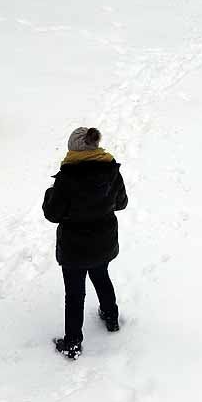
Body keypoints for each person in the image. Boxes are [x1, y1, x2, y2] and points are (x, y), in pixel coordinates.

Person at [42, 127, 128, 360]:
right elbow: (121, 203)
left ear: (74, 149)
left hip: (74, 247)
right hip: (103, 242)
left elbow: (52, 213)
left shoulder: (66, 178)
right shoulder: (110, 170)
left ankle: (72, 343)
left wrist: (50, 194)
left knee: (75, 292)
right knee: (101, 276)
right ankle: (111, 318)